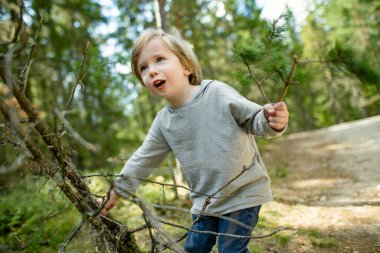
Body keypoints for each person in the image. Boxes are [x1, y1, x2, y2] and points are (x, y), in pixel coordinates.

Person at [101, 28, 289, 253]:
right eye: (143, 68)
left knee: (231, 249)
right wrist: (119, 189)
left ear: (186, 66)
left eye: (159, 59)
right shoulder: (163, 122)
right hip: (204, 203)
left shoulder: (216, 93)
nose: (151, 71)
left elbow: (255, 119)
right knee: (193, 249)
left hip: (242, 193)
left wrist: (272, 121)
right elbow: (144, 158)